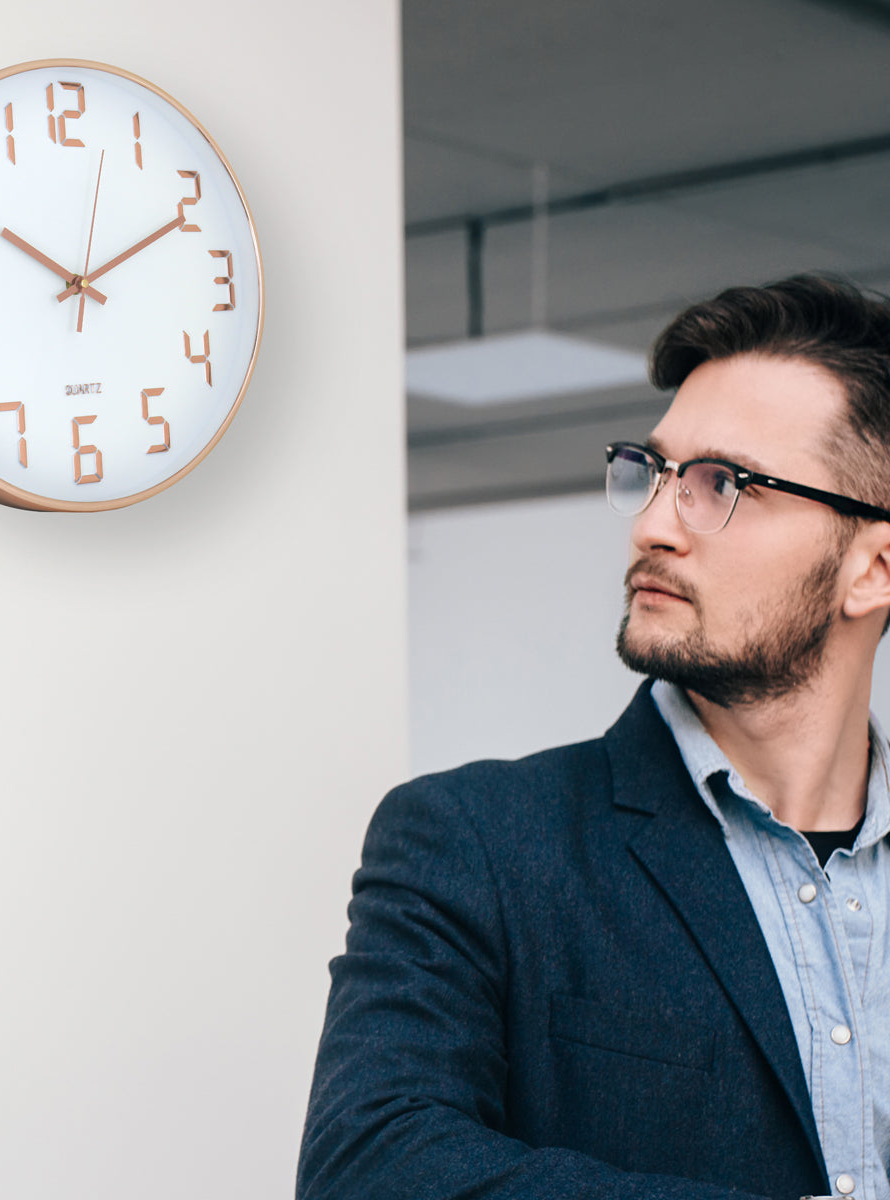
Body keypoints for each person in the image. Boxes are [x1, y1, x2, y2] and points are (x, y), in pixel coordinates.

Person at [297, 275, 890, 1200]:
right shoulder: (476, 842)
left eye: (721, 486)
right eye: (652, 474)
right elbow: (369, 1169)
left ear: (872, 568)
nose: (653, 526)